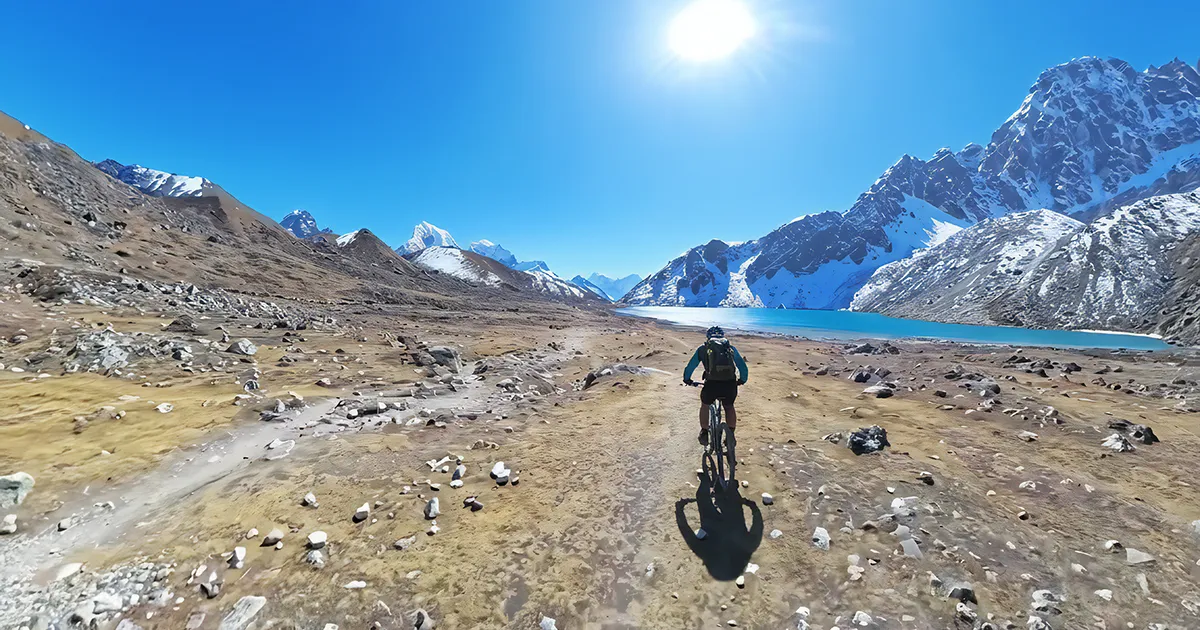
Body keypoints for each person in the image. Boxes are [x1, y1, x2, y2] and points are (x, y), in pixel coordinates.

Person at [683, 326, 748, 446]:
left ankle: (704, 432)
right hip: (729, 384)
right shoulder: (730, 348)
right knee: (729, 407)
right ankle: (731, 435)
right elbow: (742, 366)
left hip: (711, 385)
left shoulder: (703, 349)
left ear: (708, 337)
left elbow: (691, 366)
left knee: (705, 405)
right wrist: (742, 380)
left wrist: (687, 379)